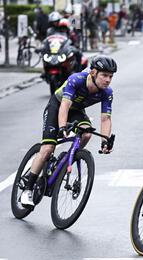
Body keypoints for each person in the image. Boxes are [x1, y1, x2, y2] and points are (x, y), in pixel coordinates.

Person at [20, 56, 118, 207]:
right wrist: (62, 127)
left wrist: (105, 140)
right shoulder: (76, 80)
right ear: (93, 72)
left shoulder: (107, 92)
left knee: (87, 133)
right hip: (57, 106)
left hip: (77, 110)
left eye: (111, 76)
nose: (108, 80)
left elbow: (105, 119)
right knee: (47, 149)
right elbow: (64, 106)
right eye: (104, 75)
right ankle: (27, 189)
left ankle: (68, 158)